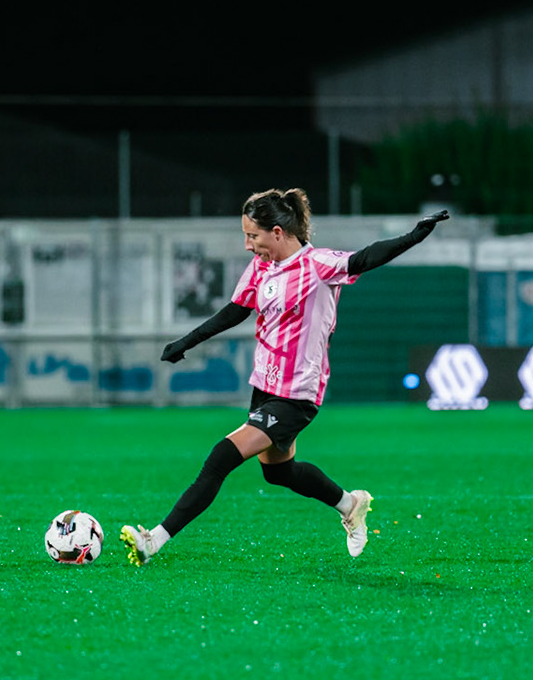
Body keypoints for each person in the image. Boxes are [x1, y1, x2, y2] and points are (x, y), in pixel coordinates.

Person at [119, 189, 449, 566]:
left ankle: (153, 541)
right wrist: (186, 341)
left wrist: (414, 236)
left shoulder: (319, 264)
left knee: (221, 457)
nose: (248, 245)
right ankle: (350, 503)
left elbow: (366, 257)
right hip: (265, 385)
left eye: (253, 236)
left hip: (297, 393)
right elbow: (235, 310)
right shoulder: (263, 266)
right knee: (279, 473)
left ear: (277, 232)